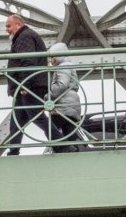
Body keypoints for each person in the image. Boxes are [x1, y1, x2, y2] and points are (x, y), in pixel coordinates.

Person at [5, 14, 74, 154]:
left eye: (8, 26)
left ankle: (62, 145)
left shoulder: (24, 36)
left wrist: (25, 84)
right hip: (27, 86)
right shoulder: (24, 36)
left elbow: (28, 61)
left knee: (36, 116)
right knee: (17, 121)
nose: (7, 30)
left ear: (18, 25)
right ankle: (13, 151)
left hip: (30, 86)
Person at [47, 42, 86, 146]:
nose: (50, 60)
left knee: (49, 129)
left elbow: (62, 85)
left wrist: (48, 95)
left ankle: (62, 148)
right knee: (69, 131)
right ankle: (76, 147)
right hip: (71, 105)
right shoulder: (69, 65)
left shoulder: (63, 66)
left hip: (63, 106)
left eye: (52, 57)